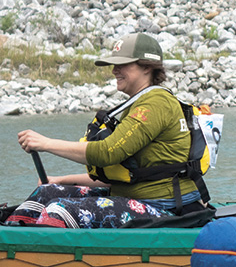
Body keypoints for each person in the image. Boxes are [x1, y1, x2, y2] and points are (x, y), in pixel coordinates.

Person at [6, 33, 210, 228]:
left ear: (147, 67)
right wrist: (59, 181)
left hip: (163, 206)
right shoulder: (139, 103)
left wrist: (45, 144)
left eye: (122, 64)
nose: (114, 70)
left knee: (59, 211)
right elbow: (124, 174)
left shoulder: (155, 104)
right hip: (133, 196)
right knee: (45, 194)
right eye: (114, 64)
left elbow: (108, 152)